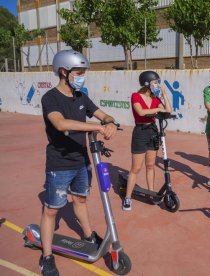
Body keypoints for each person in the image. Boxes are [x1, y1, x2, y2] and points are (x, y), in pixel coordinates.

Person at [40, 50, 118, 276]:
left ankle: (88, 235)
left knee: (81, 200)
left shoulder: (81, 96)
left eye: (84, 72)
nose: (82, 76)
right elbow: (61, 124)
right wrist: (97, 127)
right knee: (52, 211)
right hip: (59, 164)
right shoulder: (50, 98)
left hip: (82, 160)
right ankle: (46, 257)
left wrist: (110, 122)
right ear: (64, 72)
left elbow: (102, 115)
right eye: (79, 72)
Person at [123, 71, 172, 211]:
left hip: (153, 131)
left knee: (150, 165)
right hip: (140, 132)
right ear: (147, 83)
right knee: (136, 168)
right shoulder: (136, 96)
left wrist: (163, 94)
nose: (157, 85)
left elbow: (168, 111)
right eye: (155, 83)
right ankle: (127, 197)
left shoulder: (155, 98)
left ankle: (151, 192)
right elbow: (141, 112)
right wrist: (157, 109)